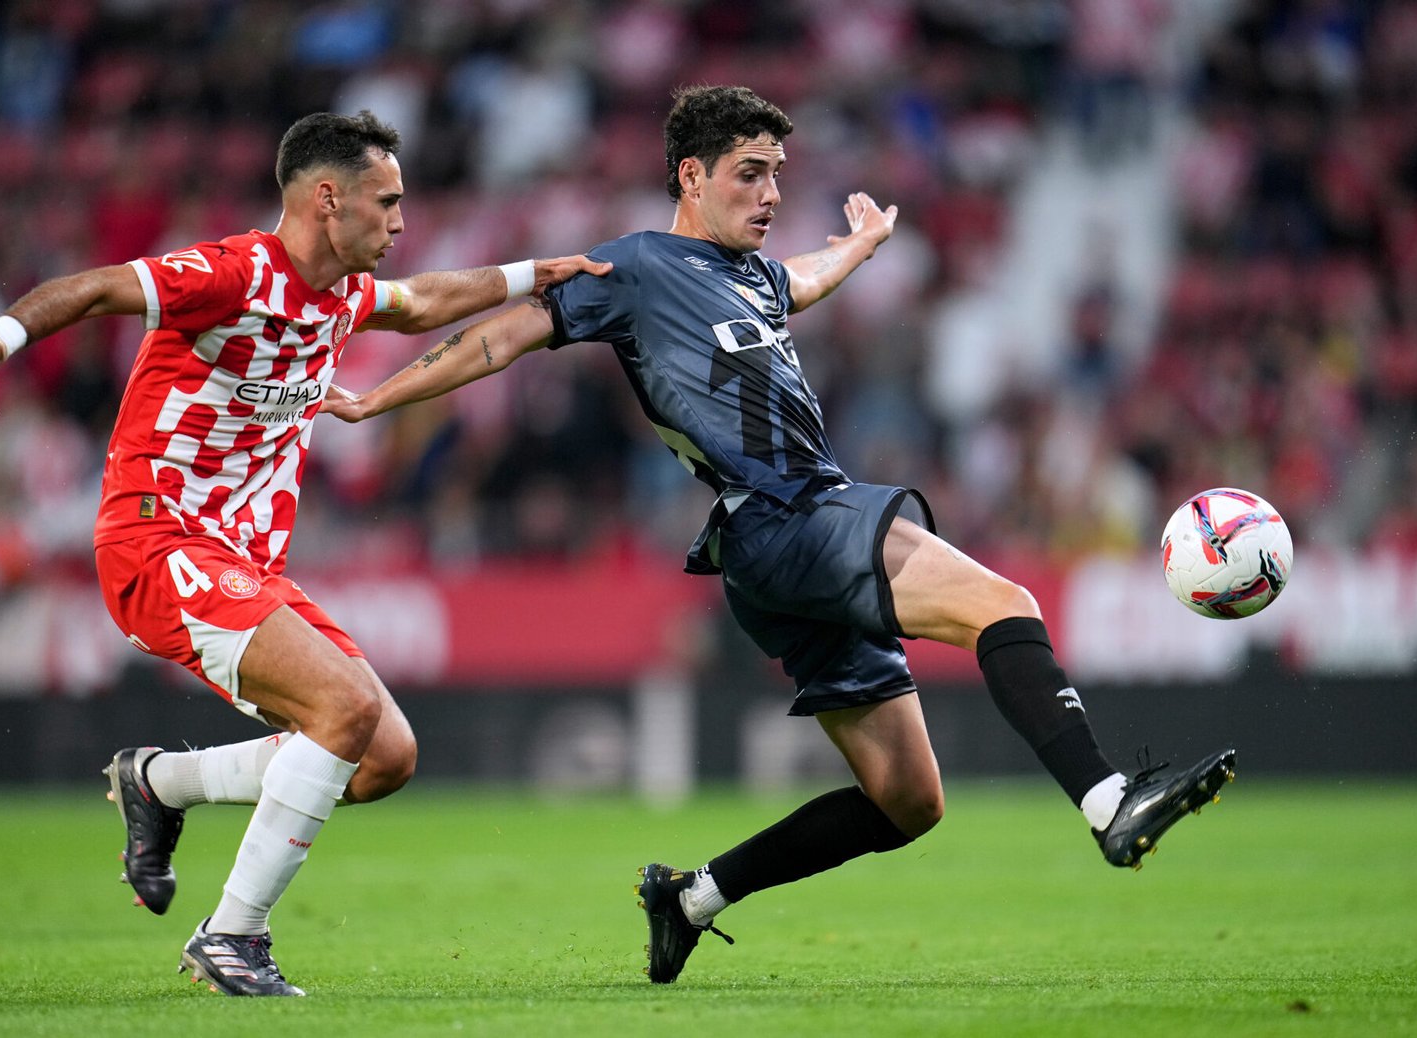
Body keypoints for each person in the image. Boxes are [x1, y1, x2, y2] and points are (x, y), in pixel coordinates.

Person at [322, 86, 1237, 985]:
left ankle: (690, 899)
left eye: (777, 176)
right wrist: (376, 400)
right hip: (788, 516)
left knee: (908, 802)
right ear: (690, 175)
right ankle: (1112, 802)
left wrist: (862, 246)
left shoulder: (755, 275)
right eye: (749, 174)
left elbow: (804, 277)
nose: (770, 195)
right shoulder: (634, 268)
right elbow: (502, 338)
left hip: (775, 551)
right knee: (1006, 604)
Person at [0, 110, 609, 997]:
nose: (399, 222)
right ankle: (234, 936)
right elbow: (89, 289)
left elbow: (424, 302)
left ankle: (159, 783)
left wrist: (529, 274)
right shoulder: (232, 274)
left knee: (386, 755)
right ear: (327, 199)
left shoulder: (342, 294)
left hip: (241, 562)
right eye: (385, 203)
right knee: (342, 711)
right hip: (156, 540)